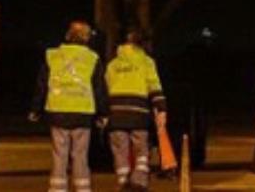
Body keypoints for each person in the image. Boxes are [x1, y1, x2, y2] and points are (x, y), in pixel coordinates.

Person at [32, 21, 107, 192]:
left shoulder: (52, 55)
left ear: (68, 35)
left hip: (57, 112)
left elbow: (41, 85)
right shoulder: (92, 58)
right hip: (82, 113)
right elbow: (99, 88)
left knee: (59, 157)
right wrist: (103, 114)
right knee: (80, 156)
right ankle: (82, 189)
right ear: (87, 38)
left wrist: (35, 110)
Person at [105, 29, 172, 190]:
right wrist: (161, 109)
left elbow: (104, 89)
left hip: (116, 114)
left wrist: (103, 114)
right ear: (141, 45)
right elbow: (154, 86)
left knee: (120, 150)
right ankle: (139, 181)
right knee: (141, 150)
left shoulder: (112, 64)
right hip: (139, 114)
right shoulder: (146, 62)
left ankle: (122, 181)